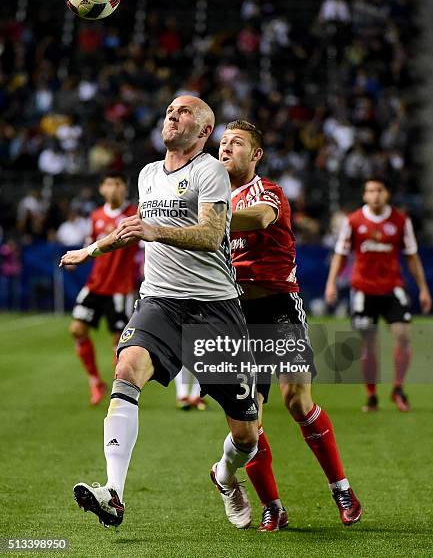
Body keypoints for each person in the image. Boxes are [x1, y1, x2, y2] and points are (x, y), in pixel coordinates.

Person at [60, 96, 259, 530]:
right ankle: (113, 494)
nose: (173, 115)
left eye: (185, 112)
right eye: (170, 110)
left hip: (214, 307)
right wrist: (91, 249)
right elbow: (135, 225)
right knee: (126, 368)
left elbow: (211, 234)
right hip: (160, 301)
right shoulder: (149, 173)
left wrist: (154, 230)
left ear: (205, 131)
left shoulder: (209, 171)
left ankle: (226, 473)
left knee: (247, 434)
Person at [219, 119, 362, 531]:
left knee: (298, 400)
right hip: (235, 318)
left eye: (237, 143)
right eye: (223, 143)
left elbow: (262, 219)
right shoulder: (211, 197)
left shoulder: (267, 192)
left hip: (279, 308)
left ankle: (341, 488)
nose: (226, 148)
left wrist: (208, 215)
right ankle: (273, 506)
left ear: (256, 154)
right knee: (249, 421)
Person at [325, 177, 432, 412]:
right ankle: (372, 395)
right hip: (364, 290)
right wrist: (331, 284)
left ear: (387, 194)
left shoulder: (401, 221)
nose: (375, 195)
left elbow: (412, 257)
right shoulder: (353, 221)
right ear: (364, 195)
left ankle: (398, 389)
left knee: (403, 335)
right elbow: (340, 254)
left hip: (393, 288)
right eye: (370, 191)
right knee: (369, 345)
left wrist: (423, 288)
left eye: (379, 190)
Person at [69, 172, 138, 406]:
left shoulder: (134, 215)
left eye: (119, 184)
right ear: (101, 189)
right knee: (77, 329)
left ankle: (119, 393)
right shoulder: (96, 215)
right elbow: (91, 245)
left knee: (119, 343)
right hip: (96, 285)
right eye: (109, 184)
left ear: (125, 188)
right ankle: (95, 382)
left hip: (120, 288)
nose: (114, 188)